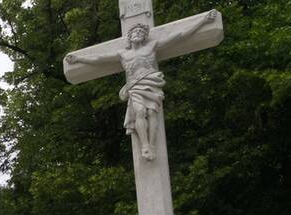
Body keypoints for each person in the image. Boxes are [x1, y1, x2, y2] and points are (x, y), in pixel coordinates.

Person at [66, 10, 216, 161]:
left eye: (141, 31)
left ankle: (151, 145)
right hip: (135, 85)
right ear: (129, 37)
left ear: (145, 36)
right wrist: (79, 59)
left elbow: (179, 36)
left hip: (150, 82)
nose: (138, 33)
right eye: (135, 31)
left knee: (151, 113)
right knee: (139, 111)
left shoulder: (151, 46)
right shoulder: (123, 54)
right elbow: (99, 58)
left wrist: (202, 21)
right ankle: (145, 146)